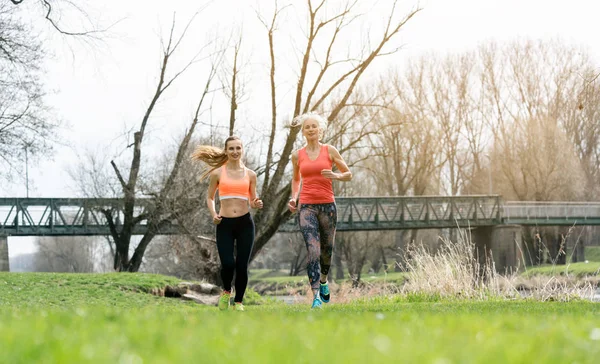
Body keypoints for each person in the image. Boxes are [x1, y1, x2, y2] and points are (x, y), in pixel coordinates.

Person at [288, 113, 352, 309]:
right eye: (307, 127)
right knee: (313, 249)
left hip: (327, 205)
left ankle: (323, 280)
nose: (311, 129)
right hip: (306, 205)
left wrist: (335, 175)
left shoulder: (330, 151)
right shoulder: (297, 155)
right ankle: (316, 295)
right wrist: (294, 197)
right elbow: (297, 179)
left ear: (320, 129)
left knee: (327, 250)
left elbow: (348, 174)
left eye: (314, 126)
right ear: (303, 131)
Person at [191, 136, 263, 311]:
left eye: (238, 148)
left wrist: (256, 203)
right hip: (225, 224)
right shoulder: (218, 173)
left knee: (241, 265)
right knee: (228, 264)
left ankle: (238, 303)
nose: (235, 152)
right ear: (226, 151)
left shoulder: (250, 174)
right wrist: (213, 214)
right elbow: (209, 197)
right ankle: (226, 291)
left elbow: (253, 199)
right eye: (231, 148)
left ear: (242, 150)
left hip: (245, 224)